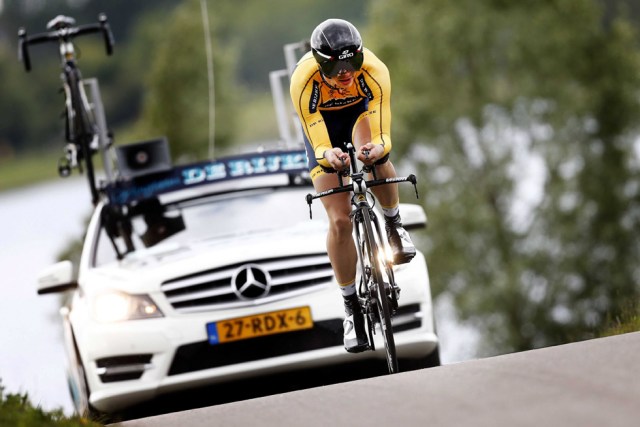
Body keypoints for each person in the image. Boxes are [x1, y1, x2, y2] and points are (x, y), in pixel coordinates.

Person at [290, 18, 416, 353]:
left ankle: (393, 225)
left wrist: (377, 148)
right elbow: (318, 146)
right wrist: (328, 155)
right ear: (320, 64)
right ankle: (351, 308)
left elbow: (383, 135)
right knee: (341, 220)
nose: (347, 72)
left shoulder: (374, 71)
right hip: (323, 129)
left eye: (352, 62)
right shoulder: (303, 82)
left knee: (374, 157)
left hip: (360, 115)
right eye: (338, 66)